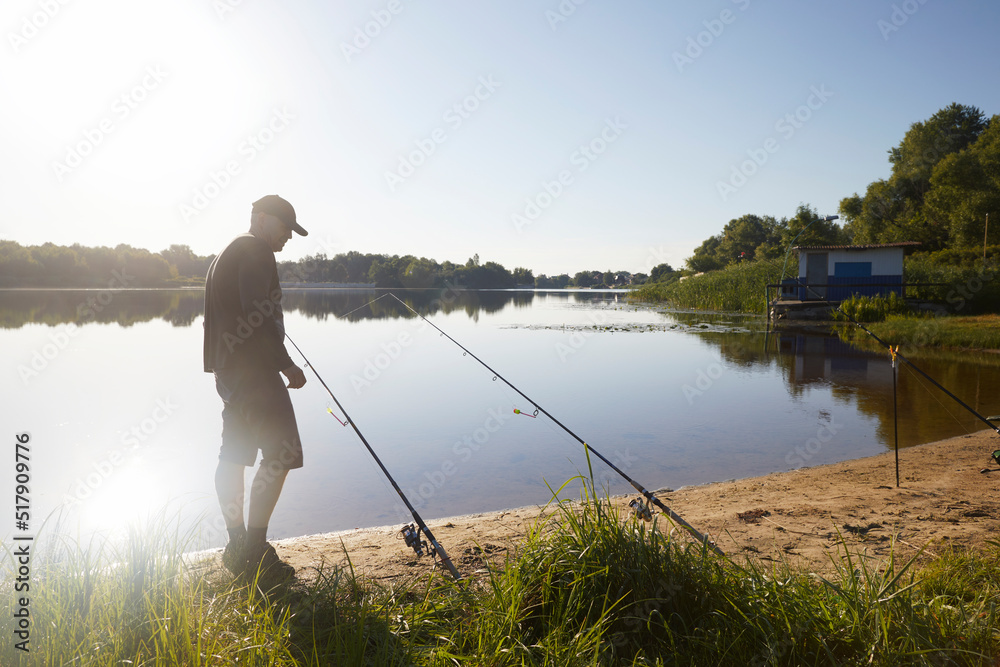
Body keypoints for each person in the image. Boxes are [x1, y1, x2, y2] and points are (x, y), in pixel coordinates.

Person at [203, 194, 308, 582]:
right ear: (261, 218)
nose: (288, 238)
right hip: (254, 371)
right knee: (283, 454)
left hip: (229, 371)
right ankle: (256, 549)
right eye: (284, 228)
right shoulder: (256, 252)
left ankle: (237, 545)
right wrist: (285, 364)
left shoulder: (228, 251)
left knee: (234, 455)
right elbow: (255, 312)